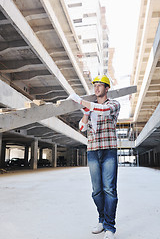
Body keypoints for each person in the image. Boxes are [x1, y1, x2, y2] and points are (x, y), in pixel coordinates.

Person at [68, 75, 120, 239]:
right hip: (92, 151)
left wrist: (80, 101)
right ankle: (101, 219)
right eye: (95, 85)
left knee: (109, 190)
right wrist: (85, 112)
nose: (96, 88)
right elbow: (82, 127)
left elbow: (103, 110)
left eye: (100, 85)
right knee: (97, 191)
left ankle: (110, 227)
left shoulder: (113, 104)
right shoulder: (91, 108)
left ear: (107, 88)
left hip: (109, 151)